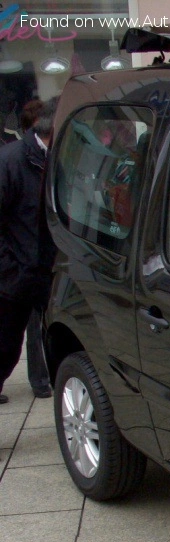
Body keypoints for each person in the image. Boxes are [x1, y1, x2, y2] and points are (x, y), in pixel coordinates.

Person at [0, 99, 55, 405]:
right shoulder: (10, 162)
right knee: (6, 348)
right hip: (14, 276)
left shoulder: (63, 158)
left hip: (51, 272)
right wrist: (11, 271)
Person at [20, 99, 52, 398]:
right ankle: (39, 379)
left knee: (39, 321)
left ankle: (42, 377)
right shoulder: (17, 158)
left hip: (42, 253)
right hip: (21, 257)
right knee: (21, 323)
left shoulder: (49, 155)